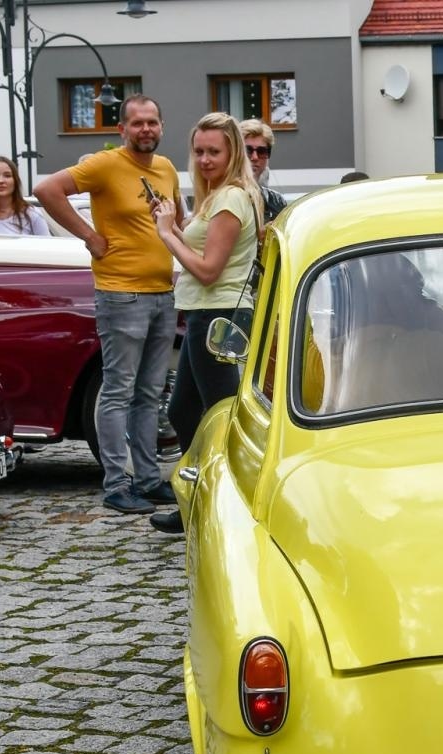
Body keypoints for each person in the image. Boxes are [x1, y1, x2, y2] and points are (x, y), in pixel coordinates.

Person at [35, 94, 182, 515]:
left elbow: (177, 222)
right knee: (118, 389)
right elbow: (46, 190)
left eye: (152, 122)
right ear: (122, 129)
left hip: (162, 292)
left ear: (161, 125)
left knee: (150, 392)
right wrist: (89, 236)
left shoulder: (166, 168)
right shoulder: (105, 165)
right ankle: (117, 483)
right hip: (121, 293)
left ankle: (149, 479)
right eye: (137, 123)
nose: (146, 129)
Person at [147, 112, 263, 535]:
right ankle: (197, 499)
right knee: (185, 410)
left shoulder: (230, 198)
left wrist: (167, 234)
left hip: (218, 314)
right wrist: (171, 223)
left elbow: (209, 270)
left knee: (221, 416)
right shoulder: (218, 197)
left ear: (233, 153)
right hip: (207, 312)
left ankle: (228, 502)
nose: (205, 159)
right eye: (198, 151)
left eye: (214, 151)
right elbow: (204, 256)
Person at [0, 156, 51, 235]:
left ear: (15, 180)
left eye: (7, 176)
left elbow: (46, 244)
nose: (0, 181)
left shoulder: (32, 214)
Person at [238, 118, 287, 223]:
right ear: (236, 153)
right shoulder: (223, 197)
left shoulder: (277, 202)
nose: (255, 157)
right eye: (248, 150)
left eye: (262, 151)